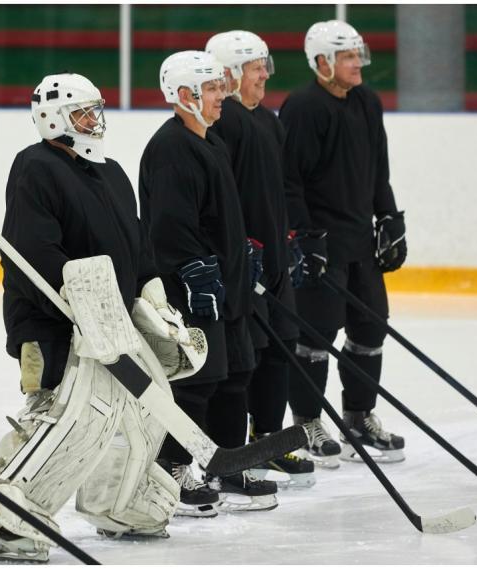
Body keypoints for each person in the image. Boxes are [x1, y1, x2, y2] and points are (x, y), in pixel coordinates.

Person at [0, 72, 205, 562]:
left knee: (141, 409)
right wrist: (81, 301)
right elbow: (34, 252)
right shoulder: (35, 167)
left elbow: (137, 249)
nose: (94, 120)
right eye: (82, 113)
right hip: (53, 326)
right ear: (53, 119)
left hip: (115, 326)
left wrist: (153, 298)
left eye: (95, 110)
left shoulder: (111, 172)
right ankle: (9, 519)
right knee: (62, 420)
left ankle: (121, 502)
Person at [139, 50, 269, 515]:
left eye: (219, 86)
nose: (222, 96)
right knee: (198, 380)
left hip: (224, 283)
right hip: (192, 289)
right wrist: (194, 271)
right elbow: (169, 227)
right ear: (184, 96)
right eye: (212, 89)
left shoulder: (211, 141)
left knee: (237, 370)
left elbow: (222, 217)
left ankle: (227, 464)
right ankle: (171, 472)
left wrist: (242, 257)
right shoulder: (172, 147)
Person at [279, 20, 408, 468]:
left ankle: (357, 416)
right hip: (321, 243)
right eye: (347, 57)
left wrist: (389, 217)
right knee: (316, 336)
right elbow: (289, 180)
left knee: (371, 331)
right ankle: (308, 421)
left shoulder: (368, 103)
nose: (357, 64)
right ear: (322, 63)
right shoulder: (302, 108)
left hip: (359, 243)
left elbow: (378, 171)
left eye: (358, 55)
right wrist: (302, 236)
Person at [206, 30, 315, 490]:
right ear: (230, 74)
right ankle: (237, 450)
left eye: (265, 68)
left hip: (272, 258)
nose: (264, 77)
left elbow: (279, 189)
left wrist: (290, 237)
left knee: (279, 348)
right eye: (256, 69)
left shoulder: (268, 121)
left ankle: (270, 439)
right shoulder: (225, 122)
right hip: (242, 261)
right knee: (247, 353)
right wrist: (242, 248)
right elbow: (223, 197)